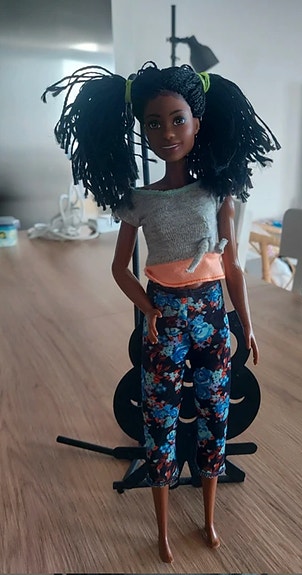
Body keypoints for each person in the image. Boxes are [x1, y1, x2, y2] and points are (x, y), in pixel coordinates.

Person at [42, 61, 280, 563]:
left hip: (212, 316)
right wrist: (148, 308)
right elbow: (119, 268)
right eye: (154, 123)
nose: (167, 133)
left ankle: (209, 519)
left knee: (216, 414)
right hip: (165, 318)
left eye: (177, 120)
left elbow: (233, 265)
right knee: (159, 418)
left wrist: (247, 324)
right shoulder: (139, 200)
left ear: (197, 122)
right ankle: (163, 530)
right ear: (141, 129)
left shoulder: (216, 191)